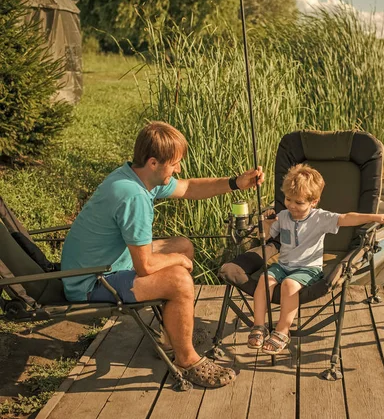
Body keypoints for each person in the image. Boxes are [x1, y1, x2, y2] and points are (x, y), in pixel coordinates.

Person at [61, 121, 264, 388]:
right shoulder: (133, 196)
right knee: (179, 280)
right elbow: (144, 266)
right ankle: (188, 360)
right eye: (175, 163)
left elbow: (190, 187)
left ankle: (170, 337)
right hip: (92, 282)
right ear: (154, 162)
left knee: (182, 245)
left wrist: (236, 183)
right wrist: (178, 262)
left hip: (109, 262)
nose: (179, 168)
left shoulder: (136, 176)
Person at [247, 164, 384, 354]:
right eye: (288, 199)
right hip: (283, 265)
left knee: (289, 285)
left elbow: (347, 218)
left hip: (308, 268)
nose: (291, 205)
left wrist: (374, 217)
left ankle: (282, 330)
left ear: (313, 201)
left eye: (298, 203)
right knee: (264, 280)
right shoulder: (282, 216)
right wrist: (266, 223)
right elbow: (265, 237)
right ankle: (259, 325)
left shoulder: (320, 218)